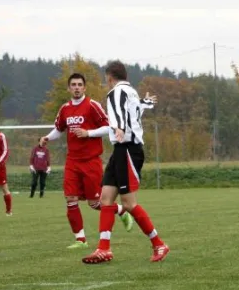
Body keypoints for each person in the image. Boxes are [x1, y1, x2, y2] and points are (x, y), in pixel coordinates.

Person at [82, 61, 169, 264]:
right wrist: (147, 103)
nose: (106, 82)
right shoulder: (131, 92)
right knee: (105, 198)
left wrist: (119, 127)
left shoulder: (116, 93)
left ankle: (159, 244)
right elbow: (137, 109)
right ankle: (104, 249)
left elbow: (120, 113)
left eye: (106, 79)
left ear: (110, 77)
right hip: (121, 150)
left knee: (129, 203)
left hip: (127, 149)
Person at [39, 73, 133, 249]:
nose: (76, 87)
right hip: (72, 161)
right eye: (73, 84)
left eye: (79, 84)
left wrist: (87, 133)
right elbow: (59, 129)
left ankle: (121, 210)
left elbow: (108, 127)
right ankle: (80, 240)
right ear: (69, 88)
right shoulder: (65, 109)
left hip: (91, 161)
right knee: (70, 199)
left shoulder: (92, 106)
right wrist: (47, 138)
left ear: (84, 87)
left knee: (95, 203)